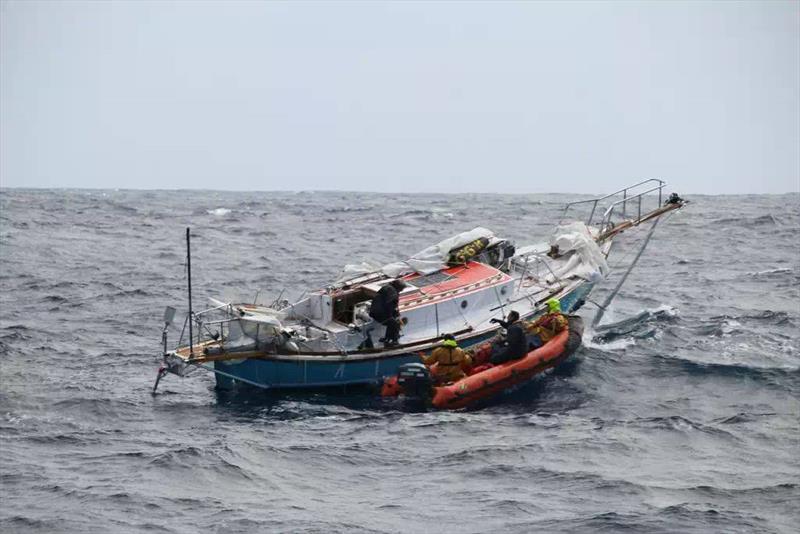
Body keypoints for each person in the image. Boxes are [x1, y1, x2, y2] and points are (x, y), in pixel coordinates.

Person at [369, 279, 406, 347]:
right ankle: (394, 341)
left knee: (391, 322)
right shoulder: (393, 292)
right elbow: (390, 304)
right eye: (401, 289)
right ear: (398, 287)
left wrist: (394, 315)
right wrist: (392, 315)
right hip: (380, 314)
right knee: (395, 323)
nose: (401, 290)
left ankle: (387, 338)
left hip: (374, 311)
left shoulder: (386, 287)